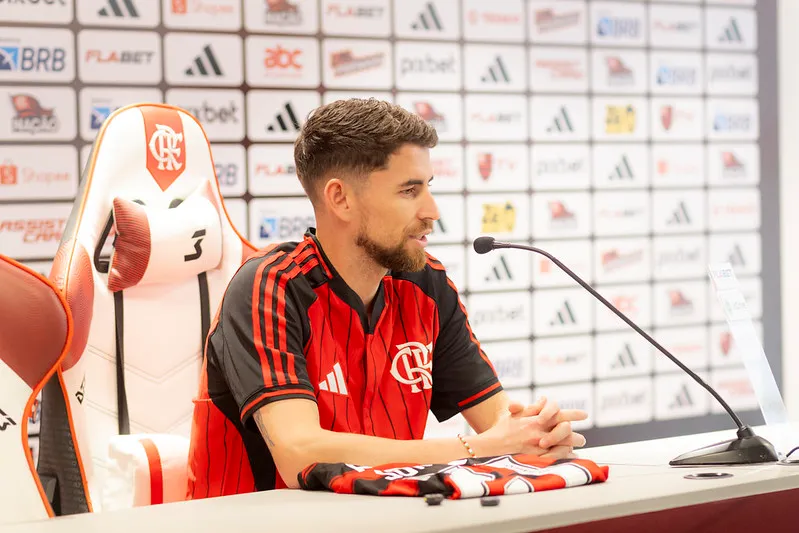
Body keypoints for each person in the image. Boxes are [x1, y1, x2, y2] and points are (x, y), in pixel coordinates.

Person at [186, 98, 588, 499]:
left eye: (428, 187)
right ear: (340, 198)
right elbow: (299, 454)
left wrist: (534, 433)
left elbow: (499, 423)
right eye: (410, 191)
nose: (432, 210)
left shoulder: (426, 284)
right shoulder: (269, 288)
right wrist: (478, 449)